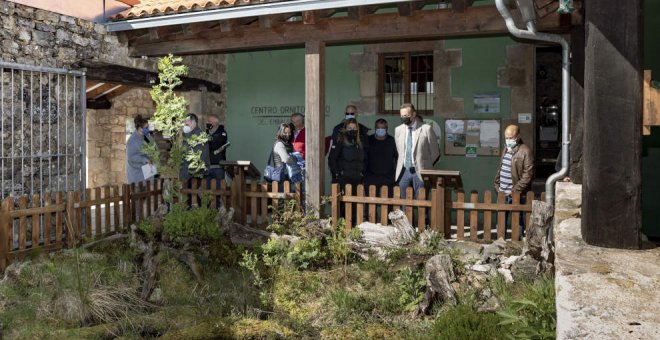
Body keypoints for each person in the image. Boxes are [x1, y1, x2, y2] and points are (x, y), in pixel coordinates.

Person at [493, 124, 534, 237]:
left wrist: (515, 190)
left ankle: (517, 245)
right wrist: (497, 184)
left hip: (515, 193)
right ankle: (499, 244)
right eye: (506, 137)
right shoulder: (506, 149)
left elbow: (528, 174)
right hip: (502, 191)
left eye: (511, 137)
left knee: (517, 221)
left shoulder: (525, 151)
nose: (508, 140)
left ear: (518, 136)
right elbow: (501, 167)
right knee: (501, 220)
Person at [395, 103, 440, 198]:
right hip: (403, 171)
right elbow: (399, 150)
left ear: (414, 114)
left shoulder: (426, 129)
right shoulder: (398, 130)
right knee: (404, 202)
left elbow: (435, 152)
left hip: (420, 171)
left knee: (422, 202)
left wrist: (424, 164)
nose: (404, 117)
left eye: (406, 115)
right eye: (402, 116)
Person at [329, 119, 367, 189]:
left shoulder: (360, 142)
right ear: (345, 129)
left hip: (357, 179)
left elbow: (364, 159)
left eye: (354, 128)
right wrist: (337, 174)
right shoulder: (340, 140)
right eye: (349, 128)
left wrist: (363, 173)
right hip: (343, 179)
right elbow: (332, 158)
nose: (352, 130)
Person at [365, 119, 398, 190]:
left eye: (383, 128)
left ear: (386, 129)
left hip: (388, 177)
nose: (380, 130)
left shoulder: (392, 140)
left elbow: (397, 157)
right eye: (378, 128)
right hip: (371, 177)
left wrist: (396, 173)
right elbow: (364, 157)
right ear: (375, 128)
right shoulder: (369, 140)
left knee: (389, 199)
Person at [180, 113, 210, 181]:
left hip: (195, 174)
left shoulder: (200, 135)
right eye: (184, 124)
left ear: (194, 122)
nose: (184, 126)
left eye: (186, 124)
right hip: (188, 173)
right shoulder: (187, 135)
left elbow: (194, 155)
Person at [126, 115, 154, 184]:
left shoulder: (147, 137)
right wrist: (145, 159)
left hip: (148, 172)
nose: (146, 129)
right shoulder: (132, 141)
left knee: (149, 192)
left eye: (147, 127)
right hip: (137, 176)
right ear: (138, 127)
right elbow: (131, 157)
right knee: (138, 193)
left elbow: (154, 147)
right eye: (144, 128)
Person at [206, 114, 229, 183]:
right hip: (207, 165)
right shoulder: (206, 133)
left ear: (215, 123)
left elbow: (216, 145)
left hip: (218, 166)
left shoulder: (222, 133)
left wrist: (208, 141)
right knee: (207, 189)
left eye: (209, 121)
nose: (208, 123)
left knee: (219, 188)